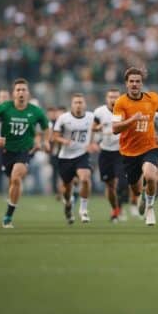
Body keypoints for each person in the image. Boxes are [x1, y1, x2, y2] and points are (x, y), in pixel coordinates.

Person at [0, 78, 51, 228]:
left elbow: (46, 127)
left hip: (25, 150)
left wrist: (46, 141)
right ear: (13, 93)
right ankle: (11, 203)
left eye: (24, 90)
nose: (21, 92)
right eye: (18, 90)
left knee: (16, 178)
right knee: (12, 180)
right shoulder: (4, 108)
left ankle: (8, 216)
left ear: (28, 93)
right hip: (7, 151)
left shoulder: (35, 111)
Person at [112, 67, 158, 226]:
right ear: (126, 84)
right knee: (136, 188)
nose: (134, 84)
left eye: (137, 81)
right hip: (129, 151)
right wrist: (132, 120)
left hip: (149, 147)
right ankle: (142, 198)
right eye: (131, 81)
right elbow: (115, 128)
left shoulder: (152, 98)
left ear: (141, 83)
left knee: (150, 176)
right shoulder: (121, 102)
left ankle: (150, 207)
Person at [54, 94, 99, 224]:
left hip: (82, 154)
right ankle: (68, 204)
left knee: (85, 178)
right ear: (71, 105)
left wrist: (92, 144)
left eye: (80, 102)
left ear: (84, 104)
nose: (78, 105)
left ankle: (83, 210)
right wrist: (64, 140)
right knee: (67, 188)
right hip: (66, 157)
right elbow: (55, 136)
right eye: (76, 102)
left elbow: (94, 130)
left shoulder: (91, 117)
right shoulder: (63, 118)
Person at [93, 88, 128, 222]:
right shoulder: (99, 112)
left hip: (121, 151)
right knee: (109, 184)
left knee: (122, 182)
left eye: (116, 97)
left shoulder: (125, 110)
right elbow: (92, 128)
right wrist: (97, 130)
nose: (113, 100)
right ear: (106, 98)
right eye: (110, 97)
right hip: (105, 151)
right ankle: (115, 209)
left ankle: (120, 207)